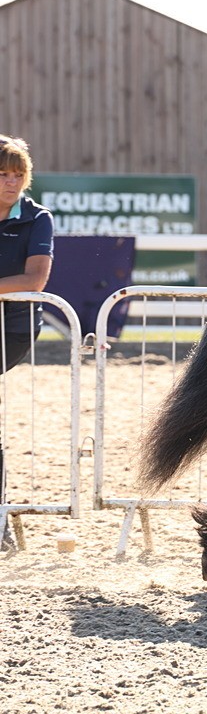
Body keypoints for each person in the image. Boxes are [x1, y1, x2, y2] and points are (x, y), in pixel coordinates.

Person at [0, 135, 54, 551]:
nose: (11, 183)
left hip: (12, 328)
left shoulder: (38, 219)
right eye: (3, 174)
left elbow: (34, 281)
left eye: (18, 175)